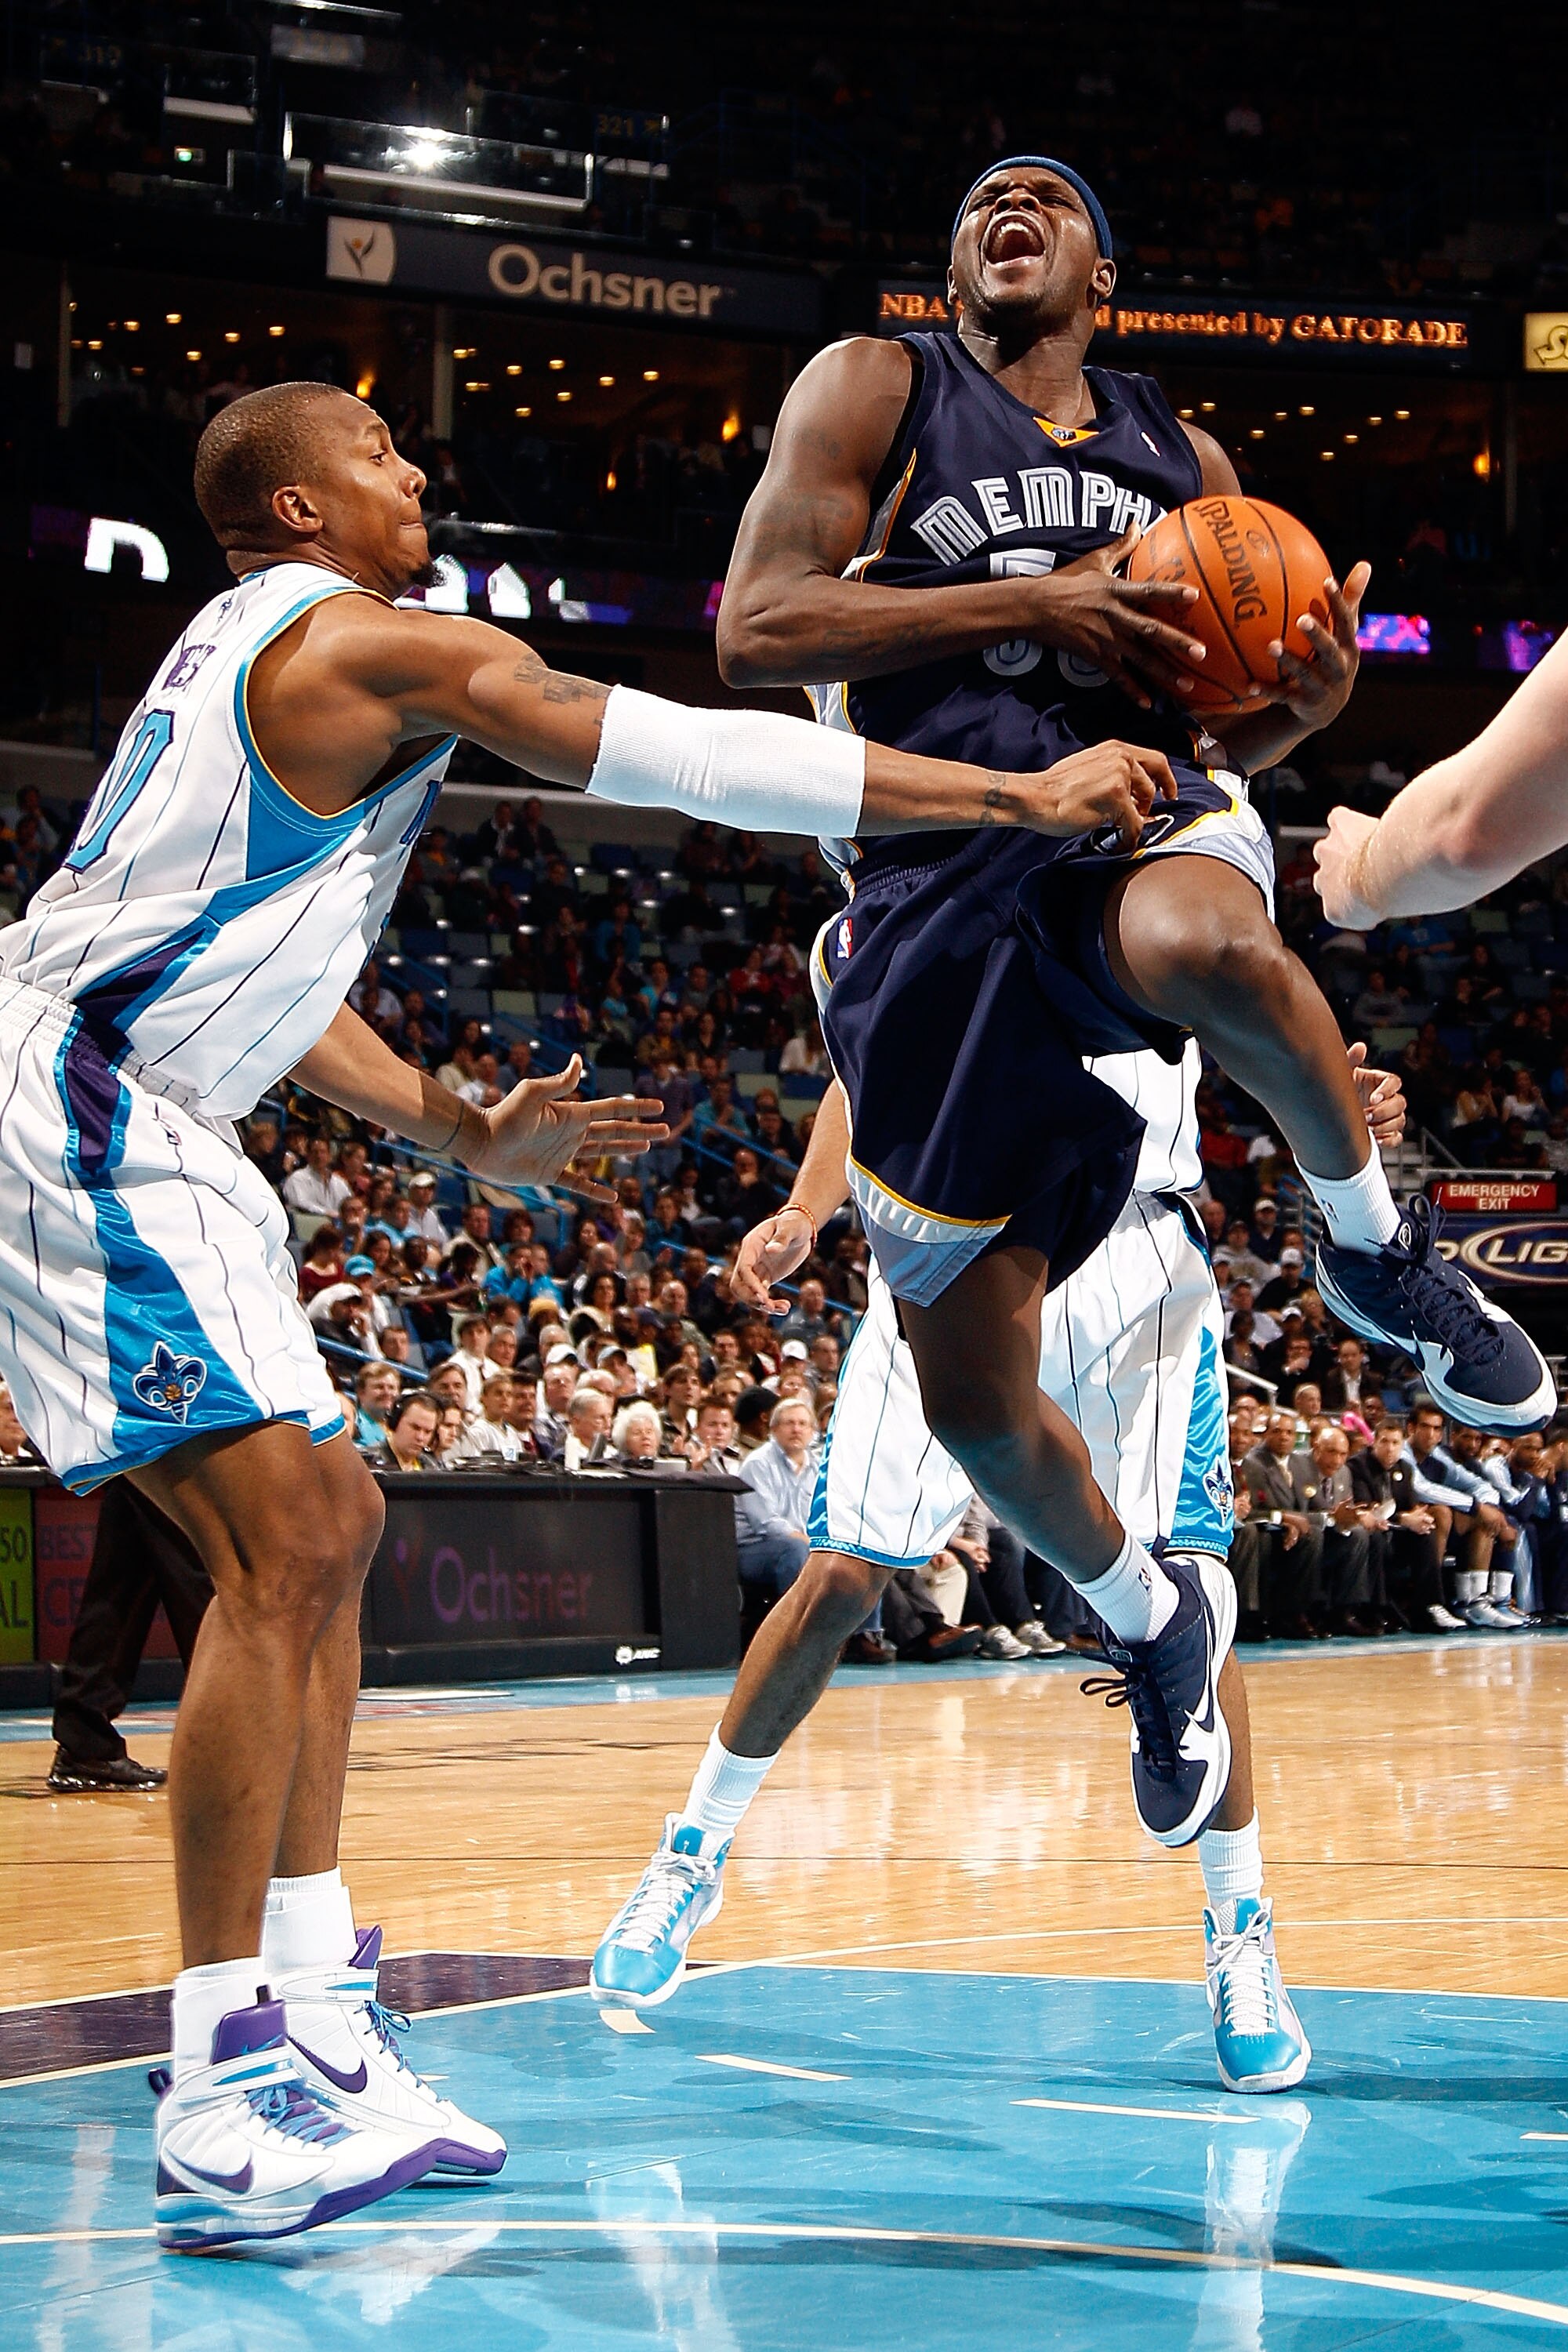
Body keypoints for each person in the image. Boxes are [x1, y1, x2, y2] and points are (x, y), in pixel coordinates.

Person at [0, 378, 1064, 2253]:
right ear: (305, 507)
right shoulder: (358, 644)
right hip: (79, 1095)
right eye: (384, 453)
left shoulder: (256, 662)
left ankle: (314, 2016)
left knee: (332, 1523)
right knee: (297, 1531)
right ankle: (219, 2073)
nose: (419, 473)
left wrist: (446, 1122)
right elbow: (672, 754)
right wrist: (1001, 797)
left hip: (147, 1092)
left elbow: (251, 962)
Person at [706, 154, 1550, 1844]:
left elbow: (1222, 734)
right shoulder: (880, 385)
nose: (1005, 207)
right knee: (974, 1405)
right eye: (977, 201)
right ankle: (1148, 1620)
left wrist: (1298, 719)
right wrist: (1041, 600)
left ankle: (1374, 1249)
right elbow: (751, 632)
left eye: (1047, 197)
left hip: (1125, 827)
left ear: (1103, 266)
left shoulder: (1188, 459)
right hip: (933, 864)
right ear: (956, 268)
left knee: (1216, 945)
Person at [591, 1037, 1403, 2083]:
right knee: (839, 1576)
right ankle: (691, 1855)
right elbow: (866, 1064)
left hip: (1130, 1252)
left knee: (1184, 1599)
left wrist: (1332, 1097)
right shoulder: (892, 888)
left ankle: (1241, 1932)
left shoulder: (1144, 869)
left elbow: (1240, 1004)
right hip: (942, 1238)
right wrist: (804, 1206)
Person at [48, 1485, 213, 1793]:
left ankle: (85, 1740)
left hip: (143, 1449)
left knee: (125, 1570)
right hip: (166, 1443)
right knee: (200, 1575)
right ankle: (238, 1732)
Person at [733, 1396, 818, 1602]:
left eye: (802, 1424)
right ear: (774, 1429)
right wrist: (812, 1544)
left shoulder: (819, 1467)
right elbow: (766, 1524)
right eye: (789, 1423)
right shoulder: (758, 1464)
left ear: (812, 1432)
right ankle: (794, 1627)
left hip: (807, 1545)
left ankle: (867, 1632)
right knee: (796, 1549)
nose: (796, 1429)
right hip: (755, 1548)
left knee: (860, 1554)